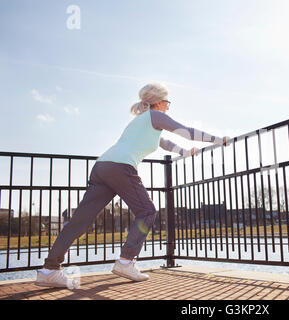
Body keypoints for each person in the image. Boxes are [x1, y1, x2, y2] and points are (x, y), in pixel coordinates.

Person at [35, 82, 230, 288]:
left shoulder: (141, 122)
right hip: (121, 167)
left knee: (80, 221)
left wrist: (184, 152)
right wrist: (219, 140)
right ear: (159, 101)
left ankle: (49, 270)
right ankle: (126, 261)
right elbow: (187, 131)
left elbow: (165, 143)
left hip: (102, 167)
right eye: (168, 102)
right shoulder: (156, 115)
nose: (168, 106)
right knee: (147, 211)